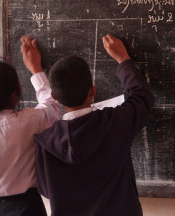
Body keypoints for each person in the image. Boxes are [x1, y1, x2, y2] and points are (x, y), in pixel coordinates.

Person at [34, 34, 154, 216]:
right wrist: (123, 60)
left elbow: (45, 189)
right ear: (93, 91)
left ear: (55, 97)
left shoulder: (45, 143)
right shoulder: (114, 122)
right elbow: (142, 98)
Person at [0, 36, 61, 216]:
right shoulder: (27, 122)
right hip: (27, 207)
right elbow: (53, 107)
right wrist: (36, 70)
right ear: (15, 95)